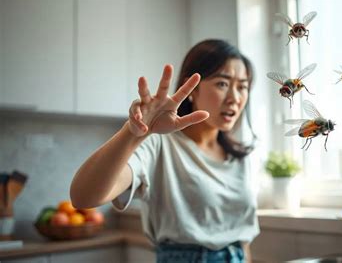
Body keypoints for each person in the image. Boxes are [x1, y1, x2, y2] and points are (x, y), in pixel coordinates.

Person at [70, 39, 259, 263]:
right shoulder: (159, 144)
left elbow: (242, 239)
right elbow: (83, 196)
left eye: (243, 86)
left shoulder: (240, 156)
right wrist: (133, 133)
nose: (235, 98)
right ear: (192, 89)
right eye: (222, 84)